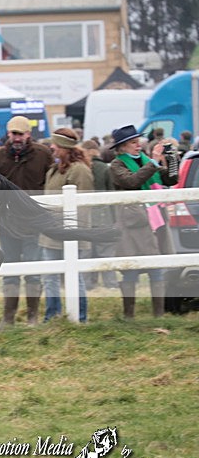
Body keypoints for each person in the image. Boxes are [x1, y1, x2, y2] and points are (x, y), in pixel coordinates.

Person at [0, 116, 54, 328]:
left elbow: (51, 182)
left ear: (28, 134)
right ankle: (8, 318)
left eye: (20, 134)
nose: (16, 138)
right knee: (9, 272)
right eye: (13, 133)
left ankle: (32, 317)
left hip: (34, 222)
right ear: (8, 134)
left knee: (33, 272)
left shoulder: (43, 154)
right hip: (8, 223)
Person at [108, 124, 178, 318]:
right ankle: (128, 315)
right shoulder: (117, 165)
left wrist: (171, 158)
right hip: (132, 224)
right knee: (131, 270)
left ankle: (159, 315)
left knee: (156, 269)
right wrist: (154, 162)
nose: (138, 146)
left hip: (154, 221)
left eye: (138, 142)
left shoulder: (146, 161)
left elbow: (171, 180)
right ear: (122, 147)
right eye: (133, 143)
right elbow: (132, 182)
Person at [39, 128, 93, 323]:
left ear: (64, 147)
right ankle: (52, 317)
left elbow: (83, 205)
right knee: (49, 277)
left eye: (55, 144)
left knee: (74, 277)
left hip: (70, 233)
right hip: (50, 233)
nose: (51, 147)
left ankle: (79, 316)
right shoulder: (55, 168)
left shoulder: (79, 170)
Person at [82, 139, 117, 290]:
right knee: (106, 252)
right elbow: (112, 194)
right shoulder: (105, 168)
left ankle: (87, 284)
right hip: (104, 215)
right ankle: (111, 284)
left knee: (86, 252)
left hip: (84, 216)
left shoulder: (81, 168)